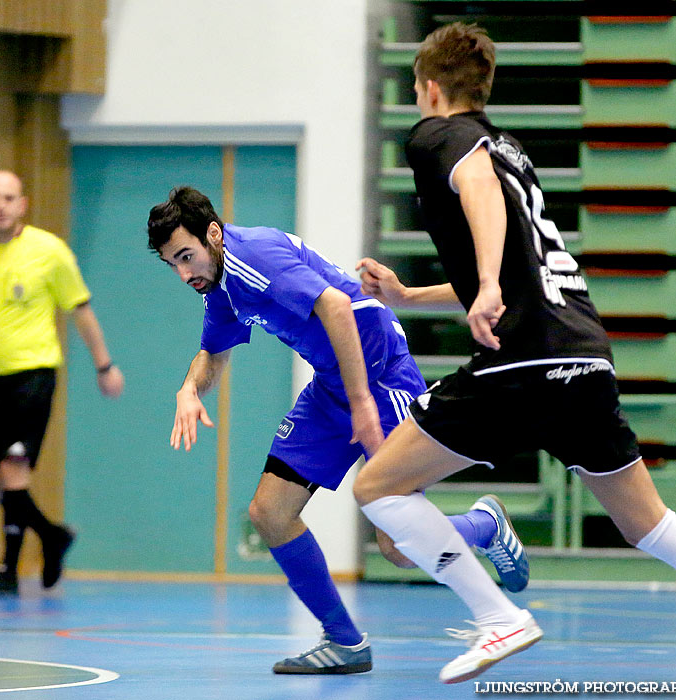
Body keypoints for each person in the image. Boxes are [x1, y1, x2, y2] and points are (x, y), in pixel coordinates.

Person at [353, 22, 676, 684]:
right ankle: (501, 614)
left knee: (378, 485)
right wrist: (412, 292)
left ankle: (500, 619)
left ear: (429, 89)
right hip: (582, 353)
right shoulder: (510, 149)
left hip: (522, 363)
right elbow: (516, 262)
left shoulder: (440, 136)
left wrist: (486, 285)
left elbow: (479, 198)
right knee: (649, 524)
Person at [147, 186, 529, 675]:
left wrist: (364, 400)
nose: (184, 274)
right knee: (269, 513)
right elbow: (214, 352)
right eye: (172, 264)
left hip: (381, 373)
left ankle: (486, 525)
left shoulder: (253, 258)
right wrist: (188, 391)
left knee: (397, 548)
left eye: (186, 257)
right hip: (333, 385)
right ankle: (344, 641)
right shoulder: (218, 281)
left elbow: (335, 306)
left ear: (214, 235)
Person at [0, 170, 124, 597]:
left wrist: (104, 365)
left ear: (23, 203)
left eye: (8, 198)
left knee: (14, 469)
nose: (0, 205)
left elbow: (81, 309)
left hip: (34, 374)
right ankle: (52, 535)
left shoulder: (49, 251)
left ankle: (8, 570)